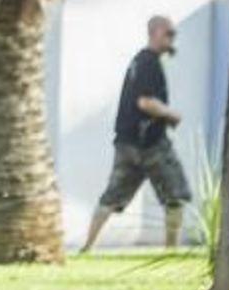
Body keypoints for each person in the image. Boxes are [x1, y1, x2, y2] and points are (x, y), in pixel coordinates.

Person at [81, 15, 192, 253]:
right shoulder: (149, 62)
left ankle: (87, 248)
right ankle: (170, 251)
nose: (172, 39)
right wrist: (172, 115)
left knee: (111, 197)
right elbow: (145, 102)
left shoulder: (139, 62)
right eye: (169, 34)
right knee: (176, 193)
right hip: (150, 144)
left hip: (127, 142)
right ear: (155, 32)